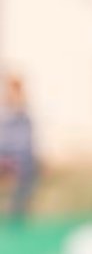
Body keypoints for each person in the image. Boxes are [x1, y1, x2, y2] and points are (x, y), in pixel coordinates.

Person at [0, 75, 37, 218]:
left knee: (27, 175)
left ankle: (17, 213)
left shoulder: (24, 115)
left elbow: (27, 143)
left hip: (21, 160)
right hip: (5, 156)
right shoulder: (5, 113)